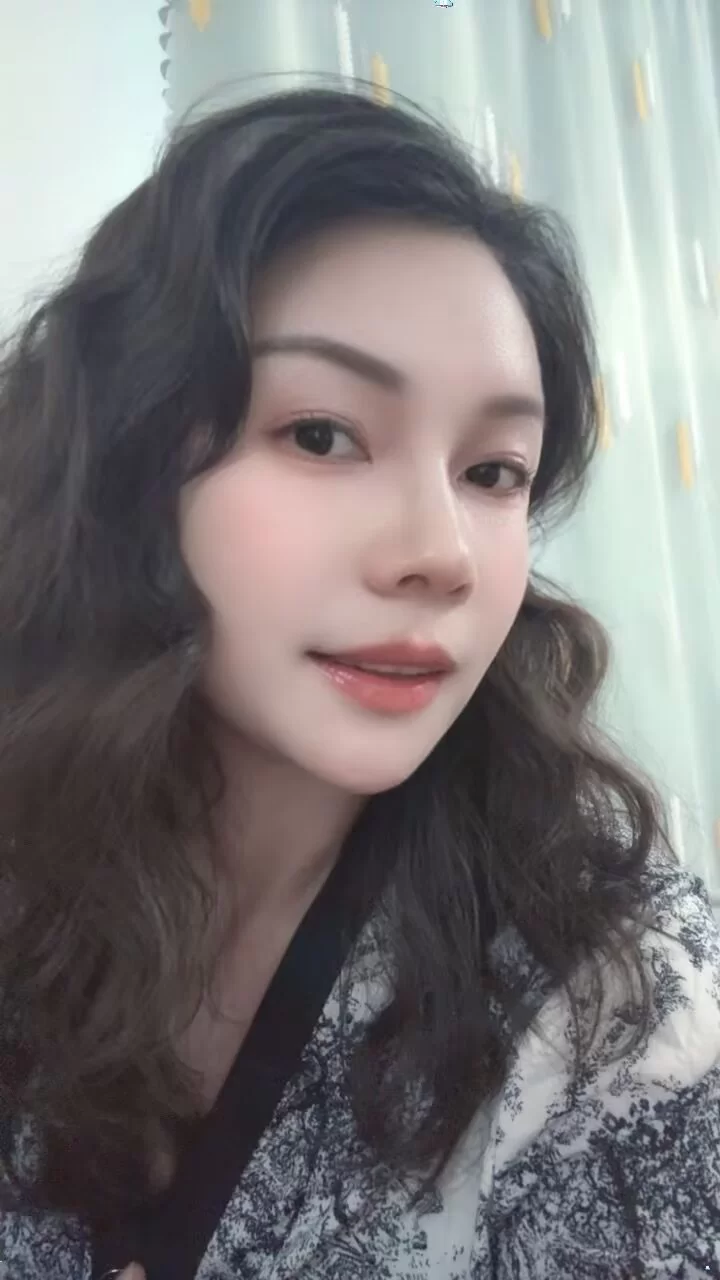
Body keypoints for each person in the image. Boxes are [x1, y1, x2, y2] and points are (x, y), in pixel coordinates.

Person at [0, 79, 718, 1280]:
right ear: (121, 468)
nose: (442, 552)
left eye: (494, 470)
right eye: (322, 433)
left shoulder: (623, 1019)